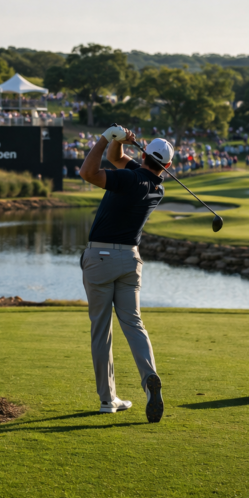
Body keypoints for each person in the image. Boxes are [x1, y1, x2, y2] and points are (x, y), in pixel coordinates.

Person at [77, 125, 167, 423]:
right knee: (134, 323)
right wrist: (119, 142)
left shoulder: (129, 178)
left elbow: (88, 173)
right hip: (130, 260)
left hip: (100, 258)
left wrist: (105, 137)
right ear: (167, 166)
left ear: (144, 155)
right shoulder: (157, 187)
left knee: (101, 330)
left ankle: (107, 399)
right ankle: (149, 377)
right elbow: (118, 160)